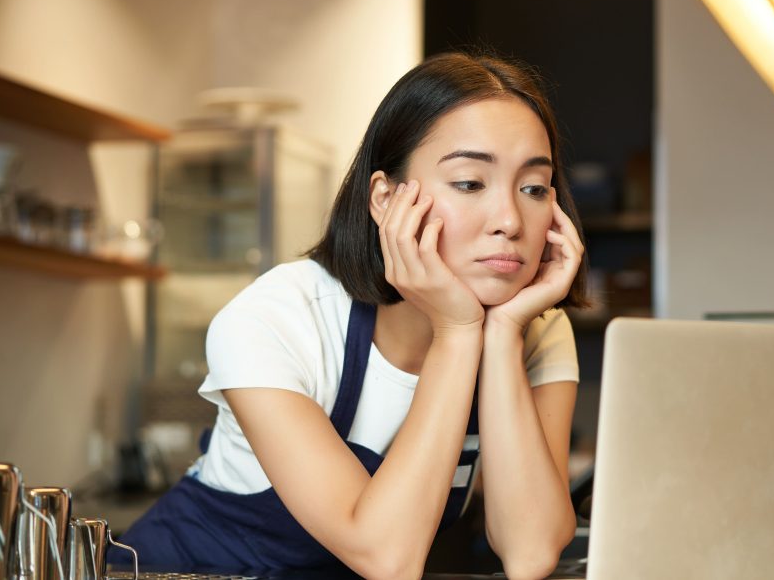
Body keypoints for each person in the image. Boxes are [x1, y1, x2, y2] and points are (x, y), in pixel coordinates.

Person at [112, 52, 588, 579]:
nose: (509, 220)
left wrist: (499, 336)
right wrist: (456, 332)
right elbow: (387, 558)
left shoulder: (534, 329)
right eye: (470, 183)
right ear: (385, 199)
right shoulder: (276, 319)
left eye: (534, 188)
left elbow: (531, 553)